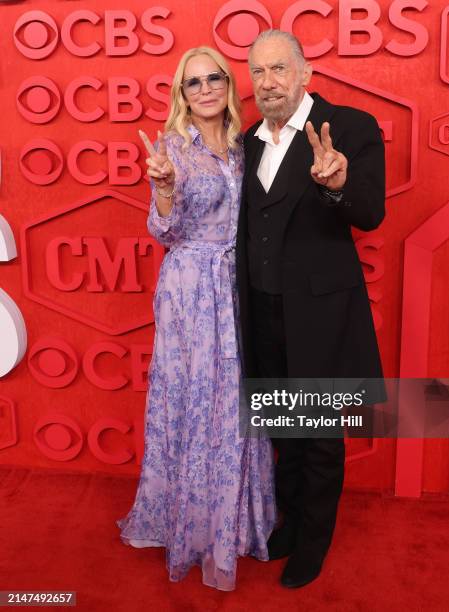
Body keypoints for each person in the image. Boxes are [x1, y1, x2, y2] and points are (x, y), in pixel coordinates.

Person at [117, 46, 276, 592]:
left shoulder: (242, 147)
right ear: (181, 95)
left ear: (228, 86)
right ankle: (188, 525)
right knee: (192, 401)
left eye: (214, 78)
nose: (204, 88)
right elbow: (164, 233)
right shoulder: (170, 150)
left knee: (234, 403)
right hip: (190, 292)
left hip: (236, 288)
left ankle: (236, 524)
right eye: (192, 82)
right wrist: (162, 189)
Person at [236, 30, 385, 588]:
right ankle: (290, 525)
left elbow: (370, 213)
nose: (269, 82)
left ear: (305, 73)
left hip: (322, 316)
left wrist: (339, 183)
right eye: (259, 72)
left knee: (321, 434)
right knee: (284, 432)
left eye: (279, 69)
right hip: (263, 314)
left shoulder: (349, 127)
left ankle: (313, 545)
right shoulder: (249, 139)